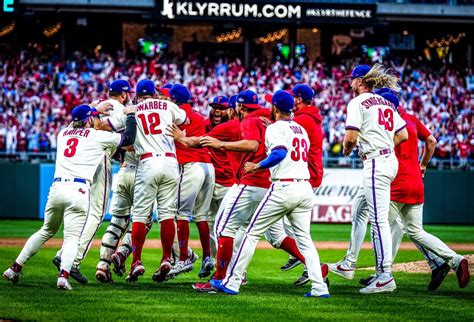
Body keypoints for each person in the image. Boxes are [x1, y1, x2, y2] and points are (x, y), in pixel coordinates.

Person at [3, 103, 137, 290]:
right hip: (79, 190)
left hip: (57, 188)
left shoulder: (62, 134)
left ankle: (14, 268)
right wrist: (130, 115)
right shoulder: (96, 136)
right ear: (89, 119)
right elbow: (129, 137)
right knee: (72, 238)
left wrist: (92, 106)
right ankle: (63, 276)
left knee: (46, 230)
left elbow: (77, 119)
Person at [214, 90, 329, 297]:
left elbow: (279, 153)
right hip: (304, 188)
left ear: (275, 108)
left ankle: (232, 283)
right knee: (305, 240)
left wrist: (258, 165)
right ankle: (319, 287)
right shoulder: (300, 129)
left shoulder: (274, 128)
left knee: (251, 233)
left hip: (284, 187)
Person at [194, 90, 308, 293]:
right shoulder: (267, 120)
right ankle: (315, 265)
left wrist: (217, 143)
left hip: (251, 182)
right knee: (277, 236)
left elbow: (252, 144)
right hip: (271, 185)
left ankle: (221, 278)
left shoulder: (247, 121)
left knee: (224, 229)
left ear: (239, 106)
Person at [52, 79, 135, 284]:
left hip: (82, 156)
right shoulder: (119, 107)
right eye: (128, 94)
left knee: (86, 212)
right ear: (123, 95)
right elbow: (103, 126)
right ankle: (73, 261)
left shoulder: (96, 103)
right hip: (99, 154)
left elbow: (86, 120)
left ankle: (65, 253)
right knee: (96, 214)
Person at [343, 64, 408, 294]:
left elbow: (350, 137)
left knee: (378, 221)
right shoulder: (387, 102)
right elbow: (403, 134)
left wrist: (347, 149)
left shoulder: (357, 102)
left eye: (353, 79)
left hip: (376, 163)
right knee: (359, 209)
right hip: (389, 160)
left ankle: (384, 276)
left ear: (361, 81)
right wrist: (385, 145)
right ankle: (347, 263)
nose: (350, 82)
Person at [127, 80, 189, 283]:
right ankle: (165, 258)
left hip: (147, 161)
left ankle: (136, 261)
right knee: (167, 215)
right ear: (154, 92)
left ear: (137, 94)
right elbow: (185, 121)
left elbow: (122, 133)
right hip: (170, 161)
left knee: (140, 215)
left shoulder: (133, 109)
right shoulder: (168, 104)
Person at [273, 84, 326, 286]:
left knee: (296, 228)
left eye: (294, 97)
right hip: (309, 173)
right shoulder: (310, 117)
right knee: (293, 226)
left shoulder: (302, 119)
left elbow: (279, 125)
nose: (292, 100)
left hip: (305, 175)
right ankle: (302, 259)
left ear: (299, 99)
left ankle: (307, 263)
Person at [167, 84, 216, 279]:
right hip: (207, 166)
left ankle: (183, 259)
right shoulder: (197, 116)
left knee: (181, 215)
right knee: (202, 216)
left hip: (189, 166)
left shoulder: (174, 115)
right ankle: (206, 257)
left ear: (174, 100)